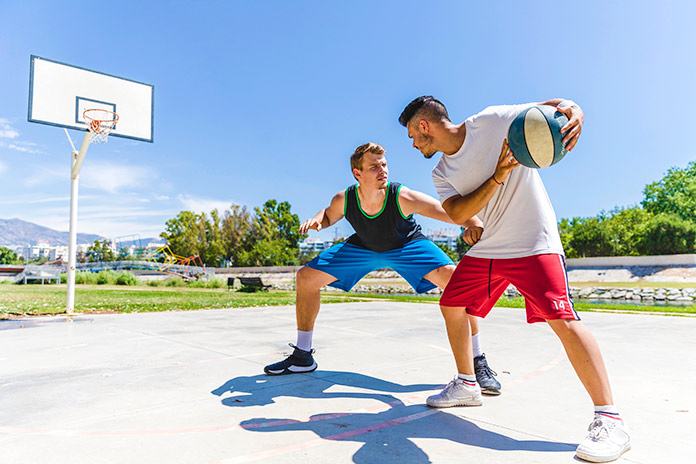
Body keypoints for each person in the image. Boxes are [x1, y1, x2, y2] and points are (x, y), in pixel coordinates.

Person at [398, 97, 630, 463]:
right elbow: (458, 212)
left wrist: (575, 110)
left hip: (533, 240)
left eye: (413, 135)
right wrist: (497, 177)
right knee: (452, 303)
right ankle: (467, 383)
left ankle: (610, 419)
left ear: (424, 126)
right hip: (490, 247)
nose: (412, 143)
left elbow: (551, 106)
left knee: (563, 320)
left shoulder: (490, 122)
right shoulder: (441, 172)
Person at [264, 142, 502, 397]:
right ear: (358, 174)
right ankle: (302, 356)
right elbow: (328, 215)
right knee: (306, 278)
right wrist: (317, 221)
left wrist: (474, 222)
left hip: (407, 245)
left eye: (384, 165)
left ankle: (477, 361)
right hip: (364, 247)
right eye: (374, 166)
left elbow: (446, 211)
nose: (383, 170)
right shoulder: (345, 199)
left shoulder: (401, 196)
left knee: (457, 283)